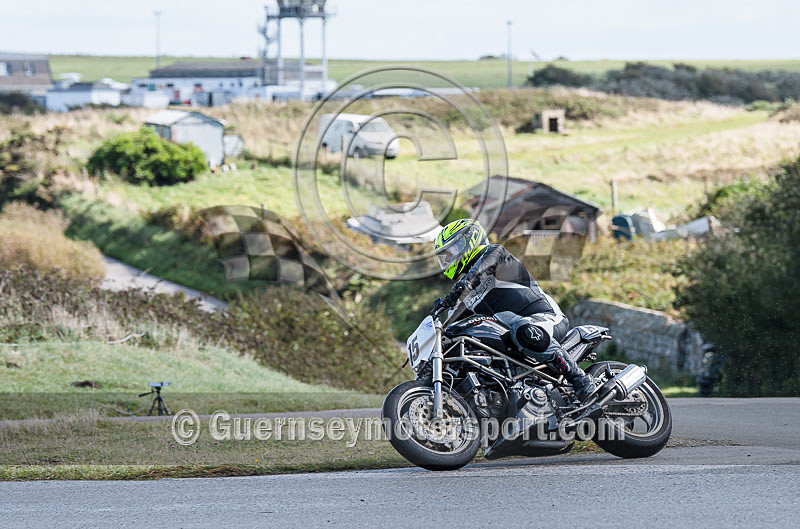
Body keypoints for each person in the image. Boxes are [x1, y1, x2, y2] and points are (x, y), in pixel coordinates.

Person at [433, 219, 595, 401]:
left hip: (545, 319)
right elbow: (450, 328)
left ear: (468, 241)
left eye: (450, 252)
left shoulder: (495, 254)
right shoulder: (467, 293)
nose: (447, 260)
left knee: (523, 330)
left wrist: (465, 284)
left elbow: (483, 268)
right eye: (444, 256)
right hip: (515, 337)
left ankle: (580, 378)